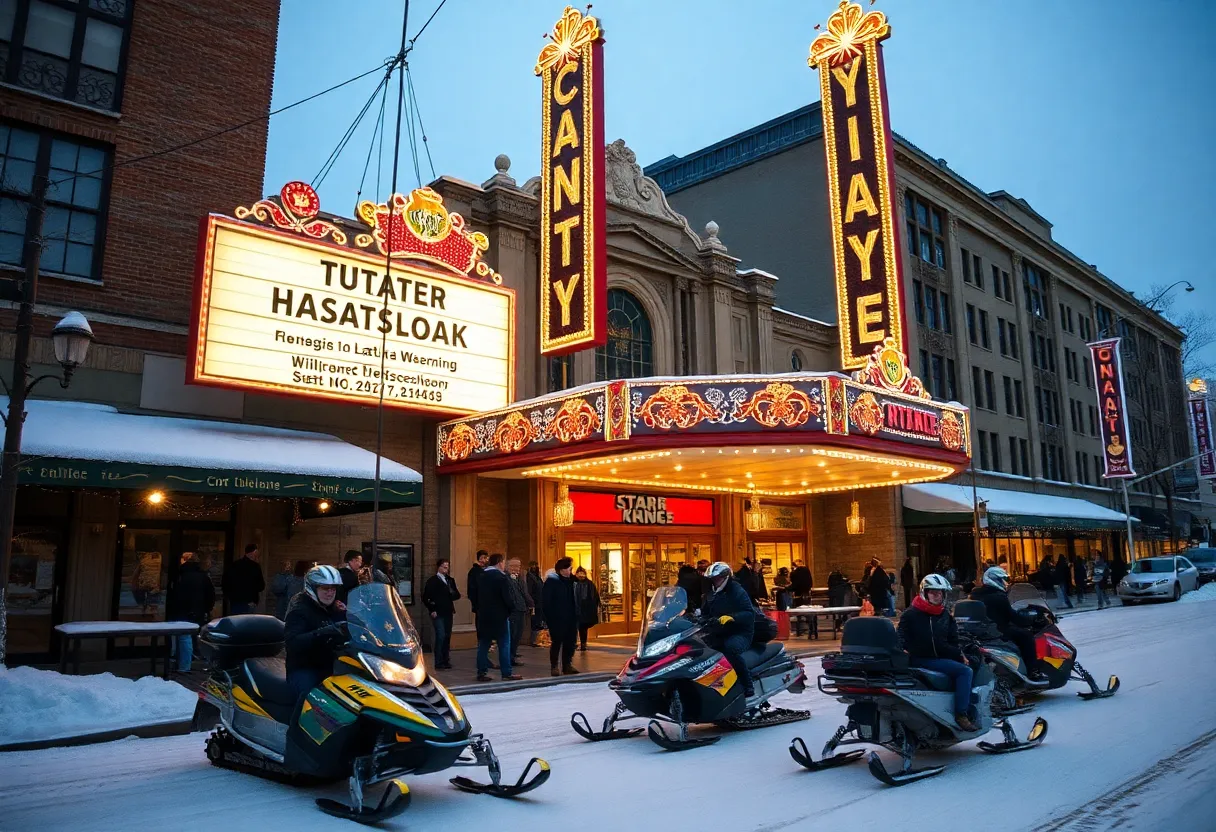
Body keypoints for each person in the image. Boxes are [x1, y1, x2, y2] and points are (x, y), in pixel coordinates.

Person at [898, 574, 976, 731]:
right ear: (924, 593)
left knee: (967, 664)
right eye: (933, 592)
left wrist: (959, 653)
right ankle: (961, 714)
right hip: (920, 659)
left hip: (939, 658)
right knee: (965, 672)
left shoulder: (945, 615)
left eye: (940, 593)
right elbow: (900, 635)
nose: (936, 596)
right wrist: (902, 649)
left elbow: (953, 639)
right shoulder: (911, 614)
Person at [969, 566, 1045, 680]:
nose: (1004, 583)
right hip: (997, 631)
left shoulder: (975, 595)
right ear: (994, 580)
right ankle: (1033, 671)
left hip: (981, 631)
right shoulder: (998, 596)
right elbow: (1013, 617)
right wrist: (1032, 620)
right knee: (1026, 636)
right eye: (1001, 580)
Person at [284, 565, 347, 697]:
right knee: (310, 698)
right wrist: (322, 632)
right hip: (304, 668)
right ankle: (295, 718)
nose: (330, 593)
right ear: (312, 588)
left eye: (333, 589)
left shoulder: (331, 607)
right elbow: (293, 643)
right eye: (325, 588)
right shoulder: (299, 609)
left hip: (330, 666)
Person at [703, 562, 757, 698]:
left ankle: (747, 685)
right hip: (718, 631)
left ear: (725, 577)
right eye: (713, 579)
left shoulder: (737, 591)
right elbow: (704, 611)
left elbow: (749, 613)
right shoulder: (711, 592)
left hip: (740, 632)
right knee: (704, 650)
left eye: (717, 579)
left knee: (729, 649)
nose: (715, 581)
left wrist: (732, 617)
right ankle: (718, 686)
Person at [167, 552, 215, 673]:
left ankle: (183, 665)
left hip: (181, 610)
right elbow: (210, 594)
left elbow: (174, 594)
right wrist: (207, 609)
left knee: (183, 637)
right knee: (191, 636)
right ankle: (189, 662)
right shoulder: (203, 576)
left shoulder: (180, 575)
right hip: (197, 610)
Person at [475, 554, 520, 682]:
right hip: (500, 616)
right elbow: (507, 597)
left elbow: (475, 595)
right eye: (503, 562)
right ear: (500, 562)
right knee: (504, 643)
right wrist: (512, 608)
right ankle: (506, 673)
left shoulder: (481, 576)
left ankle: (481, 672)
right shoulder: (501, 577)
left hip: (484, 615)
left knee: (483, 644)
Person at [542, 557, 580, 676]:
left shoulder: (573, 581)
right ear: (562, 570)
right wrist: (549, 617)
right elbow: (546, 601)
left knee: (570, 642)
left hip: (572, 617)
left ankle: (567, 665)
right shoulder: (552, 582)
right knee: (557, 642)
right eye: (569, 568)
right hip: (557, 618)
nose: (571, 571)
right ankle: (554, 666)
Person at [422, 558, 460, 669]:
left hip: (448, 610)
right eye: (444, 567)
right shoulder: (432, 581)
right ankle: (438, 662)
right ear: (438, 567)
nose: (446, 569)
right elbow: (426, 597)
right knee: (441, 635)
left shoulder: (450, 580)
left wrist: (451, 592)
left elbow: (457, 595)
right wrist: (432, 609)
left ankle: (445, 659)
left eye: (447, 567)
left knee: (447, 636)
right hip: (437, 612)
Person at [505, 557, 533, 665]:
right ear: (507, 567)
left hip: (522, 609)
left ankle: (513, 654)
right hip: (512, 611)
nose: (516, 568)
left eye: (518, 566)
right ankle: (509, 657)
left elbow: (524, 593)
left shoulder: (520, 579)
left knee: (518, 634)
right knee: (512, 634)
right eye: (513, 566)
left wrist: (530, 603)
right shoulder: (506, 578)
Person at [223, 543, 265, 614]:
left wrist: (230, 597)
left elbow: (225, 582)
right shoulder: (255, 567)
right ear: (254, 552)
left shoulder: (234, 565)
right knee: (247, 624)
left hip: (235, 602)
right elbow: (261, 586)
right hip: (249, 602)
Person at [573, 566, 601, 650]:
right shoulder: (573, 582)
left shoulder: (590, 584)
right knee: (573, 627)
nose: (581, 575)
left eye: (582, 573)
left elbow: (595, 596)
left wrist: (596, 606)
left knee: (583, 627)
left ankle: (583, 644)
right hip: (574, 608)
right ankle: (573, 643)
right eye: (579, 573)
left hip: (586, 609)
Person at [526, 561, 545, 645]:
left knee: (538, 621)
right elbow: (529, 590)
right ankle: (533, 640)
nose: (534, 567)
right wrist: (531, 602)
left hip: (540, 602)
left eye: (535, 565)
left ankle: (537, 640)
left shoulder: (537, 577)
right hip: (534, 602)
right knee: (534, 621)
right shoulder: (529, 577)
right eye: (532, 565)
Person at [467, 550, 489, 620]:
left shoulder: (487, 570)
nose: (484, 560)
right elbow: (472, 587)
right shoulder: (474, 571)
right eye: (482, 558)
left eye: (485, 558)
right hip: (479, 601)